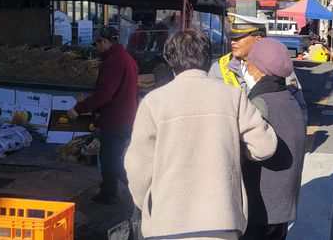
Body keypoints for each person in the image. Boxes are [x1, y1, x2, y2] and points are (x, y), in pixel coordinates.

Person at [125, 30, 278, 240]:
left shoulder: (154, 102)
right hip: (223, 220)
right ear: (208, 59)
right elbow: (264, 147)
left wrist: (149, 203)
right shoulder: (233, 97)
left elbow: (137, 166)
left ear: (170, 60)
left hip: (167, 223)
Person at [240, 38, 307, 240]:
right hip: (283, 202)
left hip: (259, 203)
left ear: (261, 70)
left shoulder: (260, 102)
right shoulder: (289, 98)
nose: (247, 68)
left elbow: (248, 151)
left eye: (250, 63)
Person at [67, 25, 139, 204]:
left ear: (105, 42)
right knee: (110, 158)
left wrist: (79, 109)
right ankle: (110, 191)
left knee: (110, 160)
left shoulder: (114, 61)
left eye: (97, 44)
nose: (96, 48)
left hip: (115, 120)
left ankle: (138, 193)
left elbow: (104, 93)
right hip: (125, 118)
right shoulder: (128, 59)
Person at [209, 13, 307, 120]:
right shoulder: (219, 68)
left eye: (239, 37)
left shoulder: (277, 65)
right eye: (232, 38)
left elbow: (298, 108)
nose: (233, 42)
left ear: (258, 39)